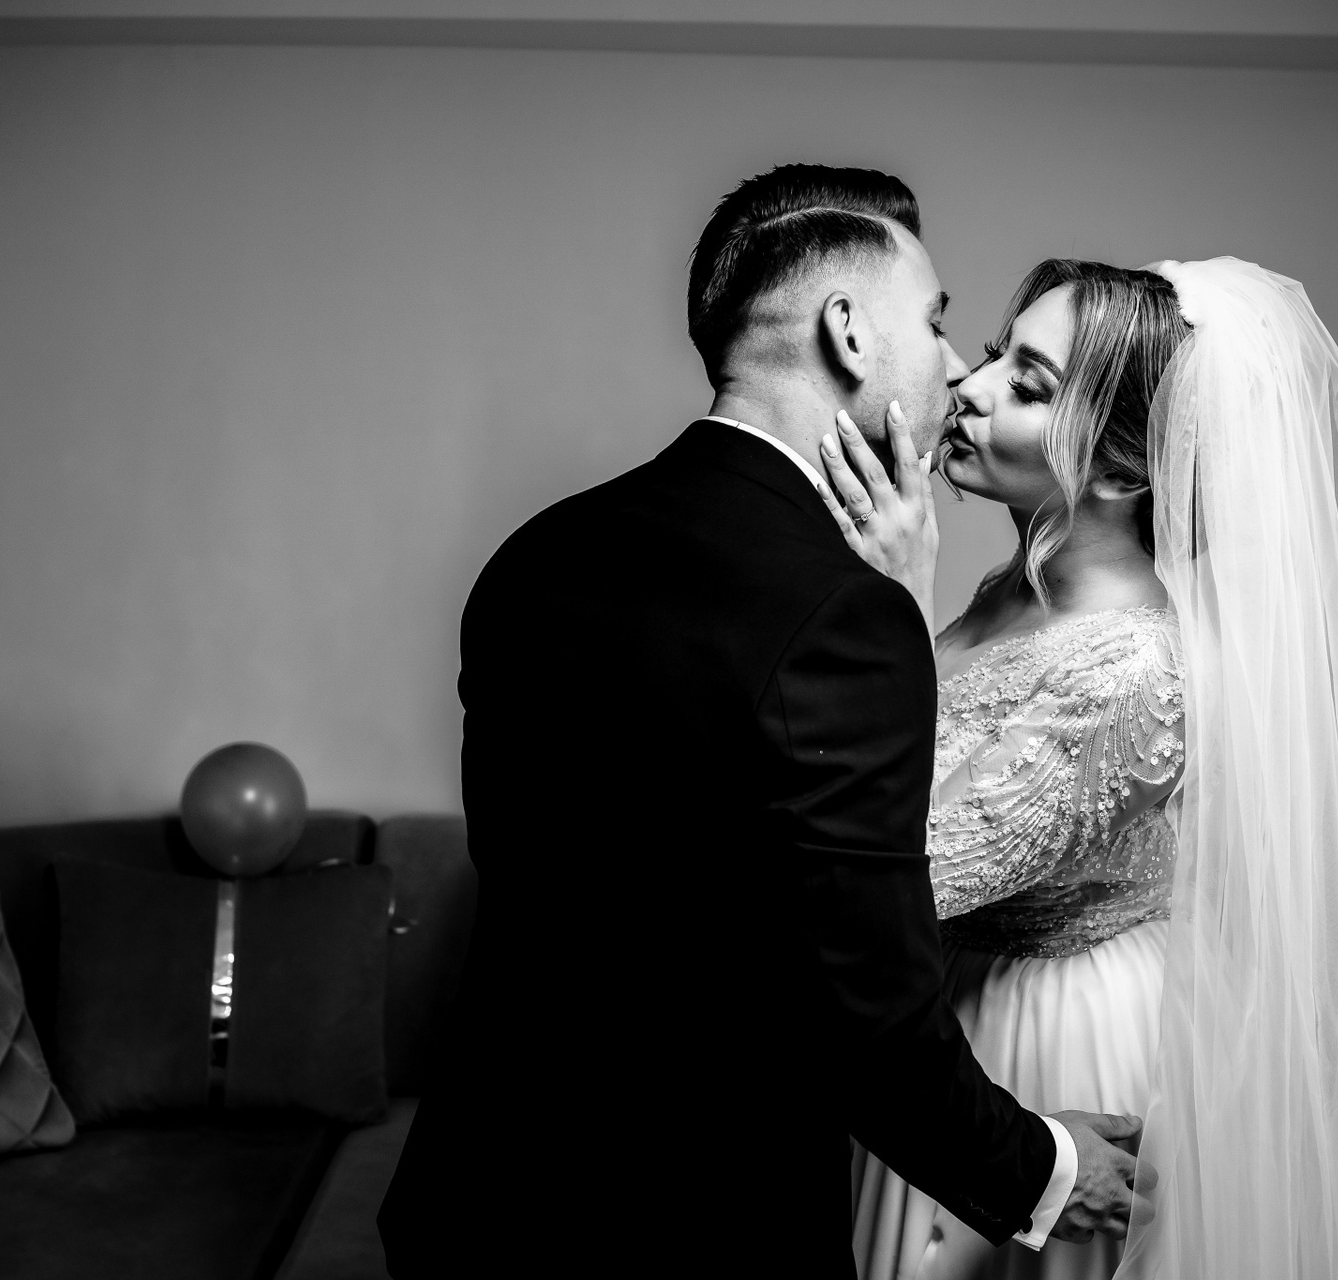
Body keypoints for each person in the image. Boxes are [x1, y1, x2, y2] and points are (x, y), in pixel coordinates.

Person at [378, 166, 1147, 1278]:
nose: (954, 367)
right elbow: (862, 1000)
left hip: (476, 1194)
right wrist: (1042, 1168)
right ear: (848, 332)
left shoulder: (538, 552)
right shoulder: (842, 612)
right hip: (693, 1218)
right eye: (936, 323)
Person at [828, 258, 1338, 1280]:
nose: (968, 385)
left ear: (1117, 474)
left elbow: (890, 879)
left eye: (1027, 384)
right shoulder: (1016, 588)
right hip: (944, 1001)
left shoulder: (1133, 670)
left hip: (1038, 1030)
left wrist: (887, 602)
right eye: (993, 354)